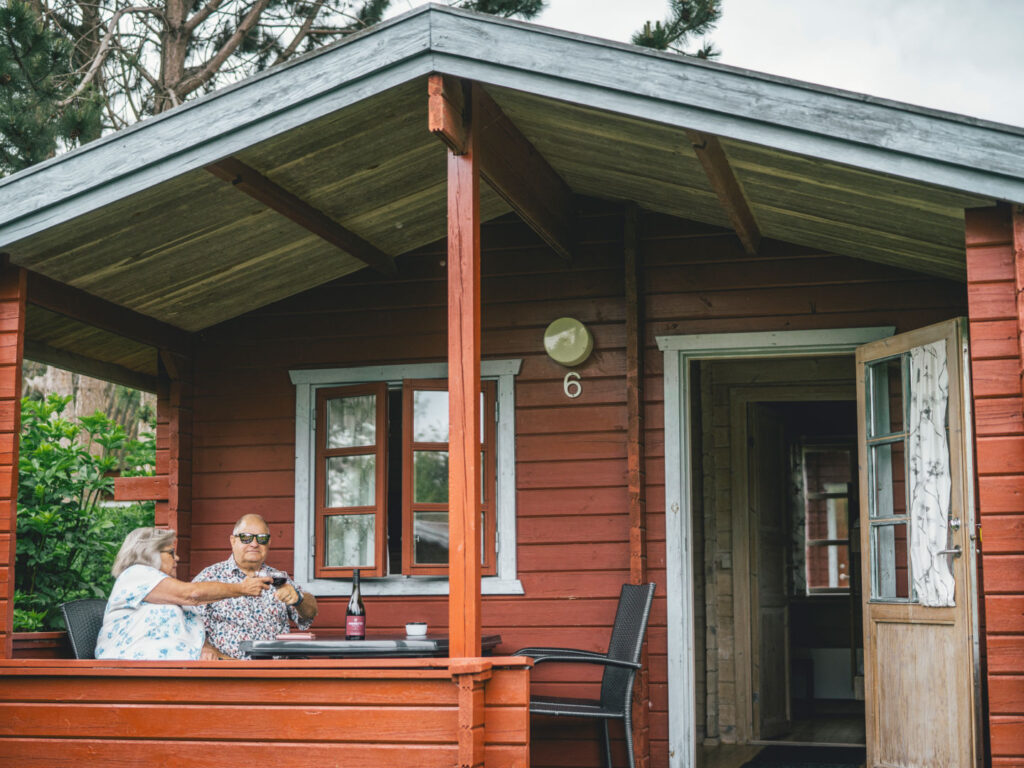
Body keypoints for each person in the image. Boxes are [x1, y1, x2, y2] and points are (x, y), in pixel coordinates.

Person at [95, 527, 271, 660]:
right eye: (171, 552)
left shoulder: (168, 592)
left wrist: (215, 655)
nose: (177, 558)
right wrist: (242, 588)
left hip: (177, 674)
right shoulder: (136, 574)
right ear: (149, 554)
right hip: (131, 672)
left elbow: (195, 633)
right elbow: (193, 594)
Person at [192, 514, 318, 659]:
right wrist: (206, 648)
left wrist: (299, 598)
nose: (254, 544)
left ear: (269, 543)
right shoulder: (209, 577)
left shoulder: (278, 578)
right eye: (246, 537)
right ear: (233, 541)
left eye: (261, 538)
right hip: (229, 671)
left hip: (277, 673)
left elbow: (310, 613)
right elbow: (189, 627)